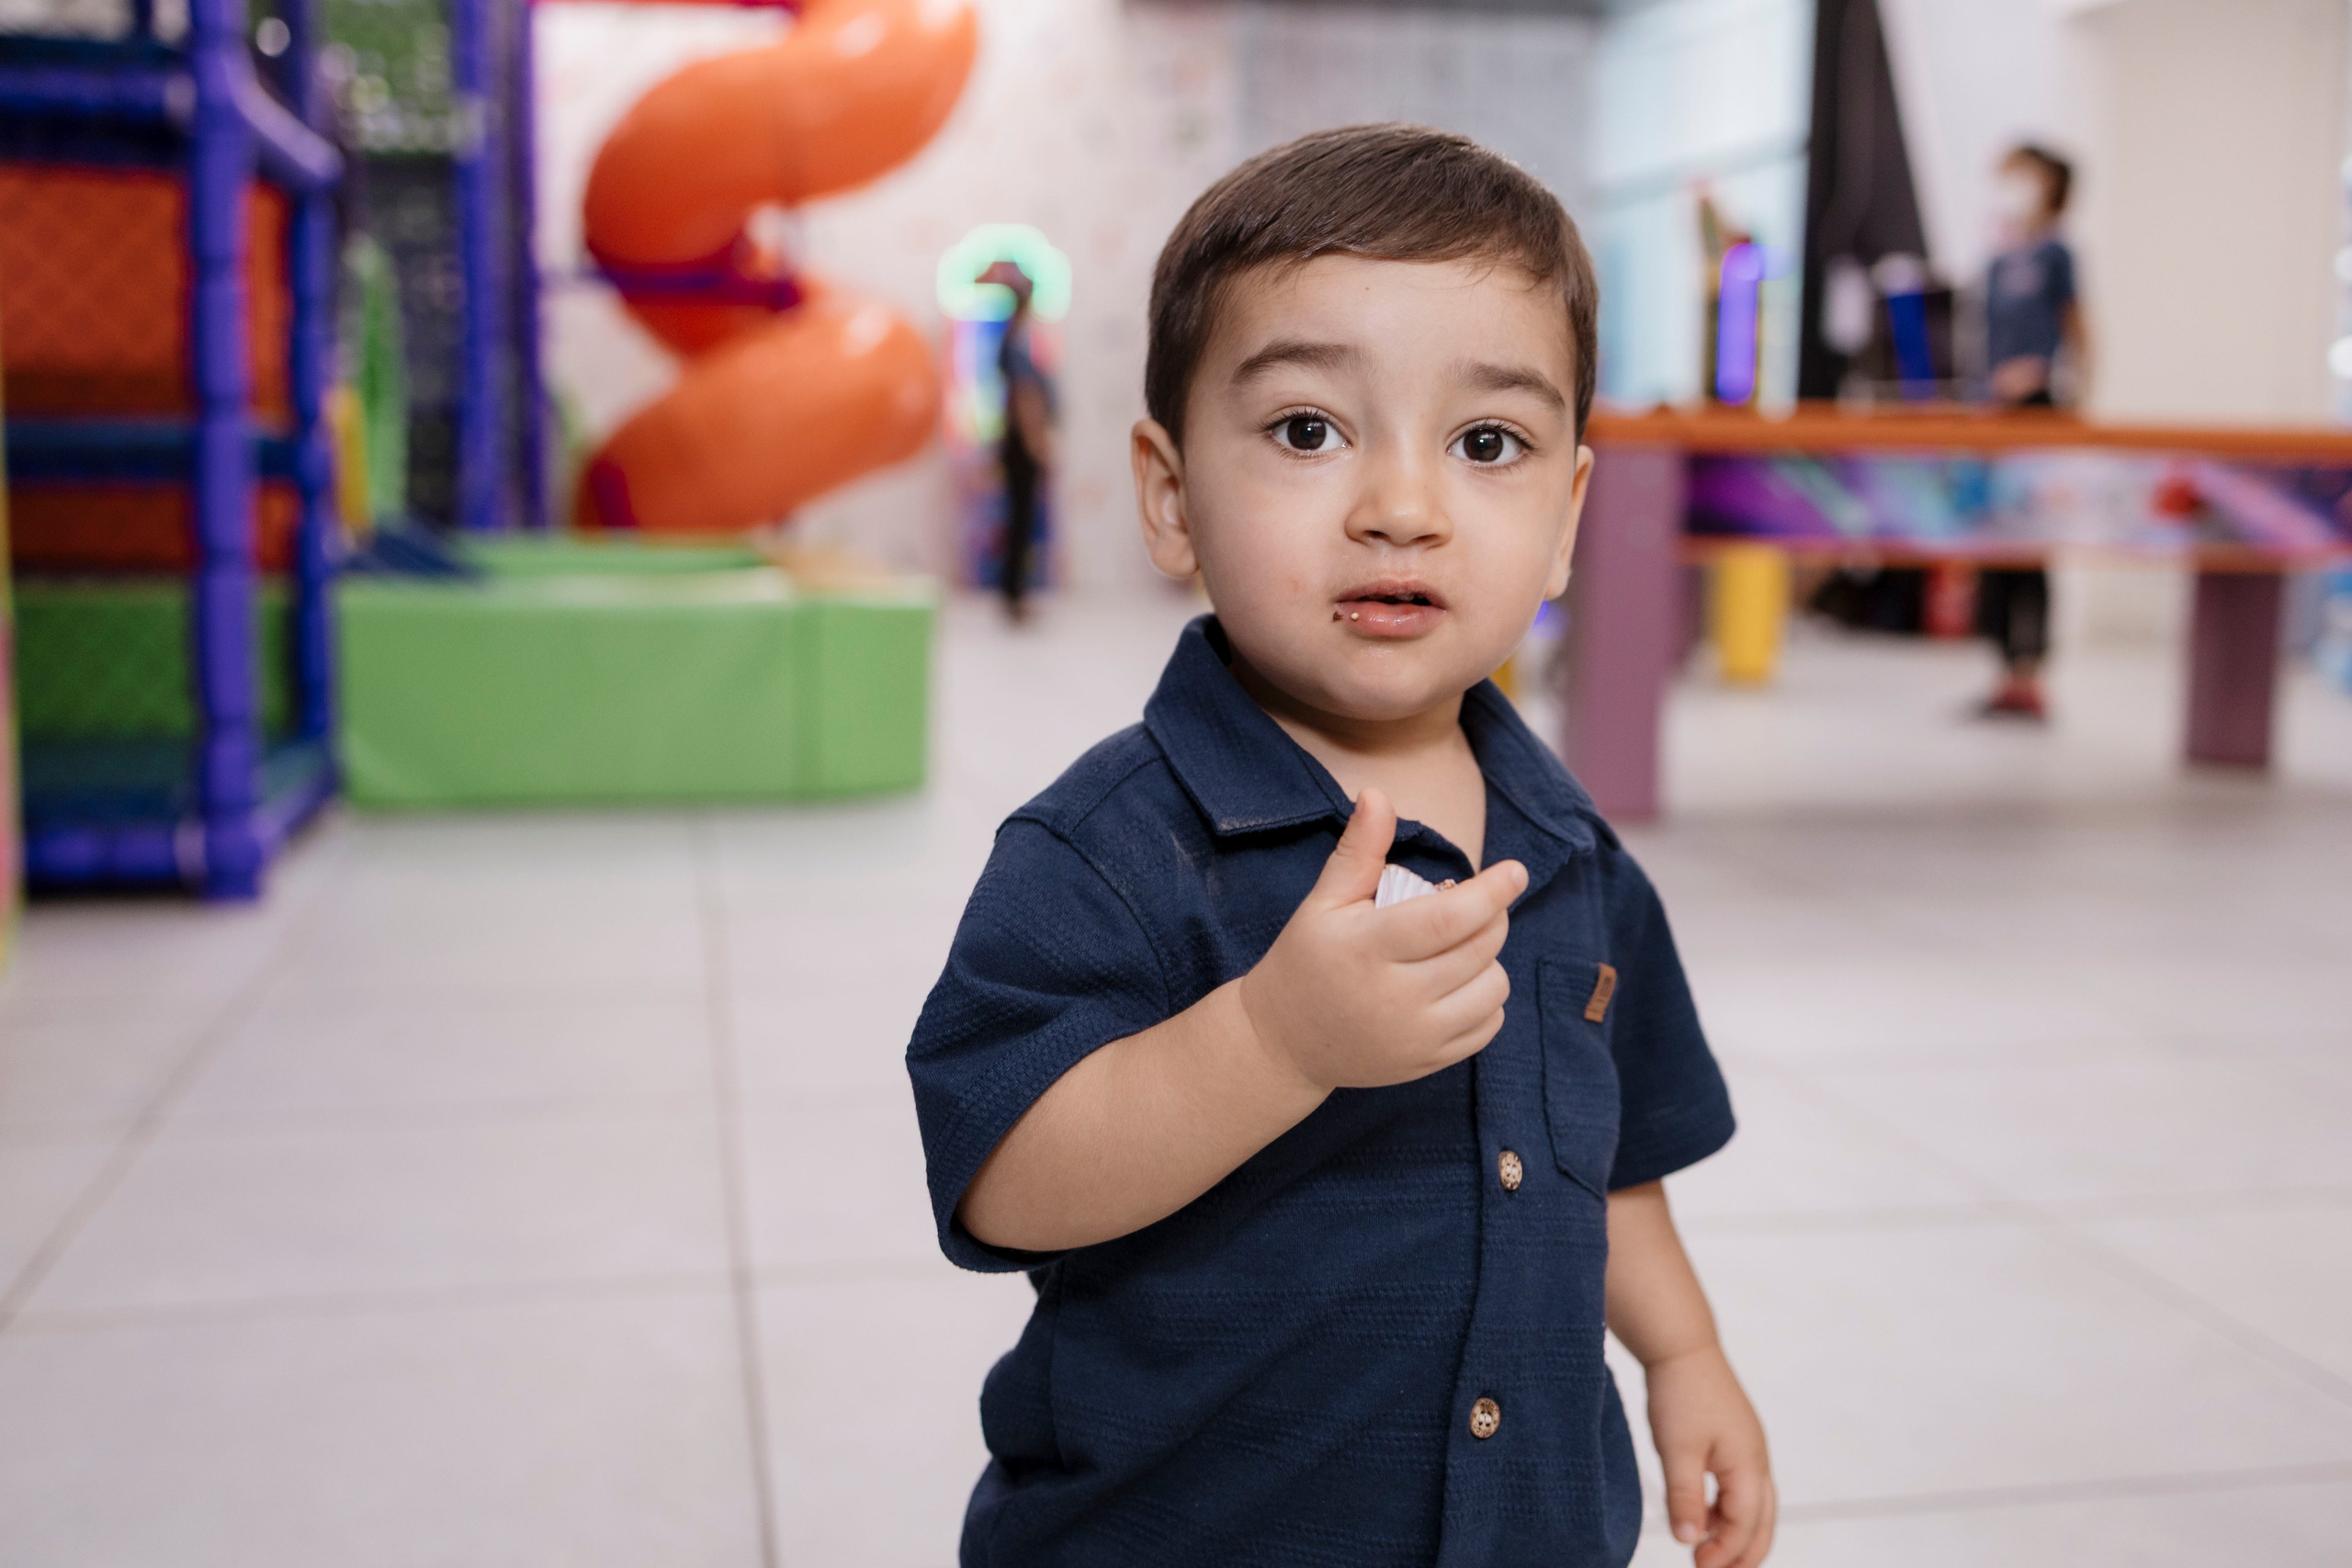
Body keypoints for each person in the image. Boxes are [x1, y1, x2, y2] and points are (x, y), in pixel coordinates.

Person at [909, 126, 1773, 1567]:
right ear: (1172, 491)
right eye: (1309, 429)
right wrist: (1273, 1039)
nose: (1404, 507)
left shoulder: (1572, 855)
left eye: (1486, 442)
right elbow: (1000, 1172)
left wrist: (1683, 1355)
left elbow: (1611, 1155)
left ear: (1567, 516)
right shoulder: (1111, 846)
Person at [1975, 142, 2088, 719]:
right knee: (1996, 542)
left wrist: (2073, 397)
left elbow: (2079, 330)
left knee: (2032, 542)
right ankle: (2002, 672)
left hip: (2040, 408)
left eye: (2022, 175)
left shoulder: (2056, 256)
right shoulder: (1999, 258)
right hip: (1993, 414)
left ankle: (2031, 672)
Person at [981, 260, 1057, 621]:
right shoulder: (1019, 342)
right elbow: (1026, 398)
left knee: (1018, 517)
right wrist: (1037, 442)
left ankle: (1014, 593)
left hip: (1013, 441)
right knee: (1021, 518)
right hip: (1020, 442)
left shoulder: (1012, 337)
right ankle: (1015, 595)